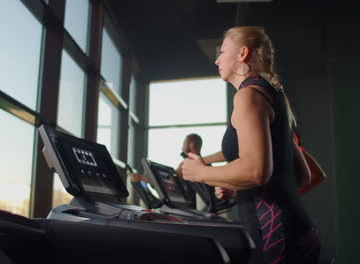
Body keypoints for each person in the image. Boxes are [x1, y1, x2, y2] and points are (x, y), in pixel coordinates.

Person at [181, 26, 320, 264]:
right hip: (299, 231)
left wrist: (200, 173)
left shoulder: (248, 95)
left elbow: (255, 171)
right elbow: (302, 176)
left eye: (223, 51)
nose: (217, 59)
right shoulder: (272, 94)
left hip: (275, 238)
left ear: (242, 53)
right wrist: (240, 188)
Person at [129, 133, 204, 208]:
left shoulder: (189, 163)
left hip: (185, 206)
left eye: (184, 143)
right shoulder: (203, 163)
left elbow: (171, 183)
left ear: (191, 145)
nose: (182, 147)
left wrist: (141, 178)